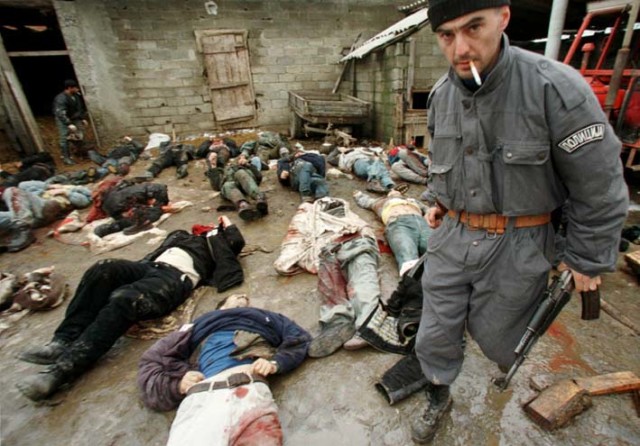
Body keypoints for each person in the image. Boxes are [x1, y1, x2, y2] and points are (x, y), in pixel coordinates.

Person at [410, 1, 629, 444]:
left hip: (520, 242)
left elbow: (600, 183)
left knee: (500, 338)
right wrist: (438, 200)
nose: (461, 48)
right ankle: (437, 391)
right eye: (447, 35)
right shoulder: (442, 94)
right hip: (452, 236)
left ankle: (493, 356)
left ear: (503, 17)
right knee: (434, 332)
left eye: (474, 27)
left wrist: (587, 258)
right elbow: (444, 160)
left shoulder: (555, 88)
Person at [16, 215, 246, 401]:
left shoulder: (216, 242)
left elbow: (236, 243)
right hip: (151, 268)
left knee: (126, 299)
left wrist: (225, 224)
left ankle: (62, 370)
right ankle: (62, 341)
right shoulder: (180, 236)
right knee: (104, 267)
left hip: (175, 278)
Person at [137, 294, 311, 446]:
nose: (244, 297)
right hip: (203, 398)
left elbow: (300, 339)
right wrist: (177, 385)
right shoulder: (199, 324)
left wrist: (275, 363)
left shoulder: (266, 317)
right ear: (221, 306)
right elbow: (150, 361)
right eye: (236, 296)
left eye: (247, 299)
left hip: (250, 393)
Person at [273, 197, 381, 355]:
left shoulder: (348, 215)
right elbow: (293, 243)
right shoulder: (308, 219)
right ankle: (337, 323)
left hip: (356, 243)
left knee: (361, 283)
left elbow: (363, 228)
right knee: (330, 289)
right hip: (329, 251)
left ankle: (368, 325)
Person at [353, 189, 432, 274]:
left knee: (437, 250)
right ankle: (413, 278)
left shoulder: (412, 200)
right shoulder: (381, 202)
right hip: (399, 223)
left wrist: (431, 216)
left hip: (423, 224)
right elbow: (366, 202)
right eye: (391, 191)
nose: (393, 191)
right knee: (407, 254)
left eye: (396, 190)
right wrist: (359, 195)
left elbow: (429, 210)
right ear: (388, 195)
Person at [0, 181, 91, 252]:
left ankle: (23, 230)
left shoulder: (73, 189)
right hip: (27, 214)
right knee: (19, 188)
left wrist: (65, 191)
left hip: (46, 207)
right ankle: (20, 227)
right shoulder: (37, 187)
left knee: (11, 190)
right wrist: (49, 186)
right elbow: (25, 186)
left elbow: (84, 201)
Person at [206, 152, 268, 221]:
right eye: (213, 158)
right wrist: (213, 166)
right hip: (230, 189)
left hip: (246, 182)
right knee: (227, 185)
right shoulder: (217, 171)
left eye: (216, 157)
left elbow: (258, 176)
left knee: (240, 173)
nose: (216, 159)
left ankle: (259, 198)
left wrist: (247, 164)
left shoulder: (242, 160)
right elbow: (216, 187)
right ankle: (243, 205)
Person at [327, 145, 406, 194]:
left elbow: (376, 151)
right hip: (357, 163)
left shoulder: (358, 149)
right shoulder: (343, 156)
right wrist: (338, 149)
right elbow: (330, 158)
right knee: (374, 166)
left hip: (369, 160)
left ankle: (390, 185)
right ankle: (374, 182)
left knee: (379, 164)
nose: (345, 147)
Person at [52, 79, 88, 165]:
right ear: (69, 88)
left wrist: (82, 118)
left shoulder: (76, 96)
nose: (77, 89)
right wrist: (68, 123)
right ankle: (66, 157)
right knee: (64, 137)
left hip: (74, 117)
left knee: (79, 134)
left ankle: (80, 152)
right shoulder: (61, 99)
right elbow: (60, 113)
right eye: (75, 88)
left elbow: (79, 108)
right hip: (63, 118)